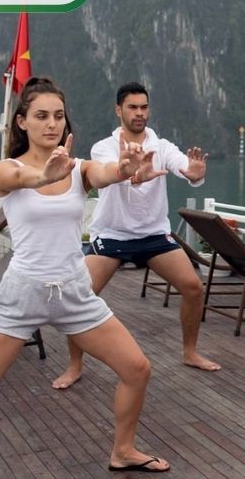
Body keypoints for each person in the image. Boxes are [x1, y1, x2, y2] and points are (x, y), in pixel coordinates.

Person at [0, 77, 170, 479]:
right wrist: (42, 174)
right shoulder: (5, 169)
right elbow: (17, 175)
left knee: (137, 369)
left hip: (73, 290)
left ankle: (123, 450)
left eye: (58, 115)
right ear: (22, 122)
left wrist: (125, 169)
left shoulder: (79, 167)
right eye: (41, 116)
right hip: (21, 293)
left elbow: (104, 173)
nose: (50, 123)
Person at [51, 82, 216, 390]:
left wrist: (195, 172)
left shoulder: (162, 146)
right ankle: (74, 365)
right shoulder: (103, 147)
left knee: (193, 287)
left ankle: (190, 352)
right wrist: (132, 174)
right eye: (132, 107)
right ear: (119, 110)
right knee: (81, 296)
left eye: (144, 107)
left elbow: (186, 167)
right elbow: (107, 173)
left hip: (153, 235)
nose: (140, 113)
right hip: (112, 236)